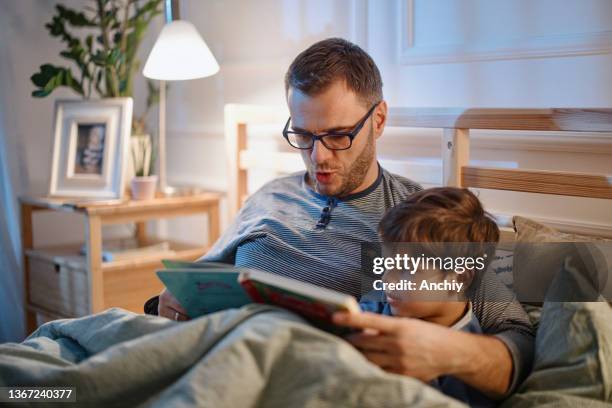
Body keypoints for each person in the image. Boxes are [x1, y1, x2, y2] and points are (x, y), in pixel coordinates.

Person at [147, 37, 534, 398]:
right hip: (221, 364)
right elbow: (201, 280)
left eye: (337, 135)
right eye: (304, 135)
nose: (319, 157)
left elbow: (517, 338)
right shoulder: (268, 197)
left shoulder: (418, 222)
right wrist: (172, 301)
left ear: (378, 119)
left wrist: (449, 352)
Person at [355, 187, 500, 407]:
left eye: (406, 269)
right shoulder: (379, 302)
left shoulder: (467, 363)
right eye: (386, 264)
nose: (387, 280)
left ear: (459, 278)